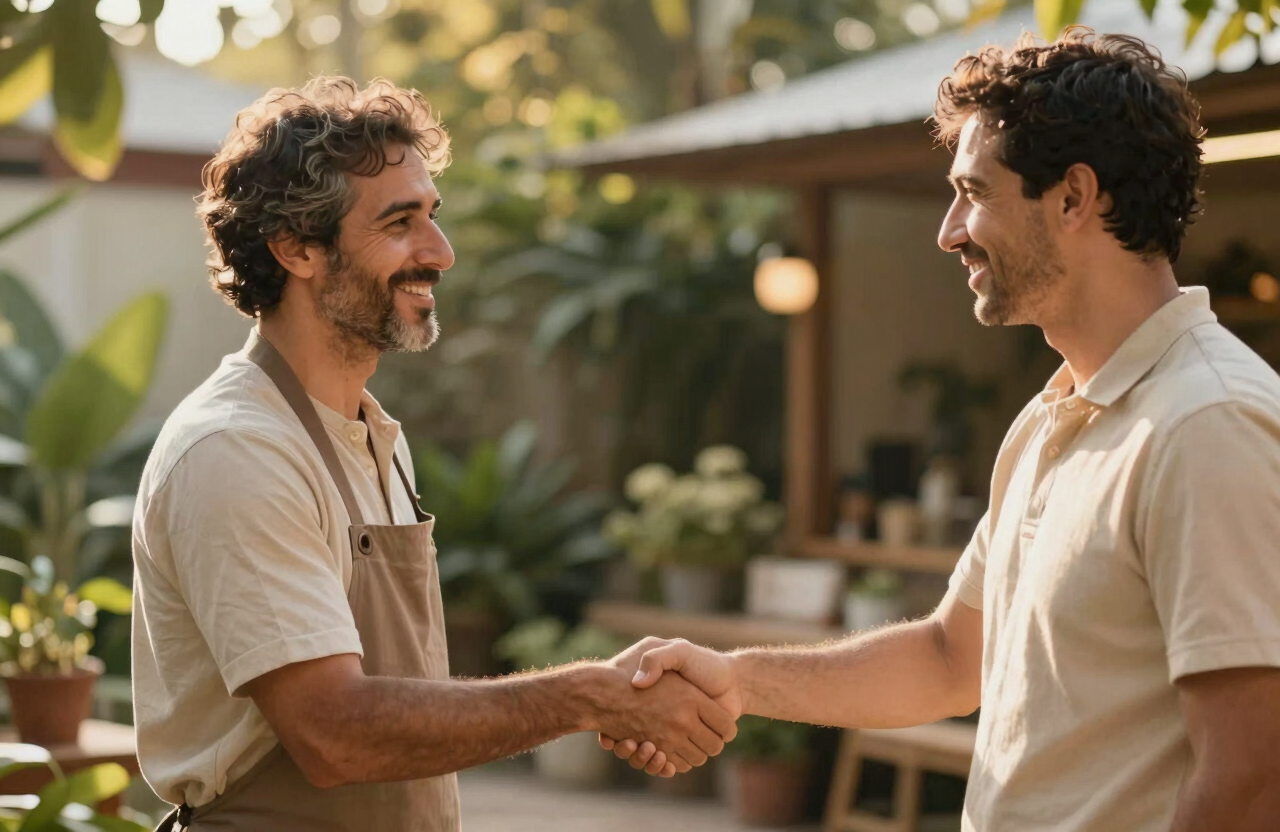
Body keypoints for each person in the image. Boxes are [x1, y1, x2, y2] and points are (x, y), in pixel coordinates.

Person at [604, 28, 1280, 831]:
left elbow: (1250, 776)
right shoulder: (1048, 419)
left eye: (975, 192)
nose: (948, 230)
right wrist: (737, 679)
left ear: (1073, 197)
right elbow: (949, 659)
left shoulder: (1209, 424)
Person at [131, 78, 735, 832]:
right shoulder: (237, 451)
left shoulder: (373, 437)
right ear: (295, 248)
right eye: (399, 222)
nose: (440, 253)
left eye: (433, 217)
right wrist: (588, 695)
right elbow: (334, 733)